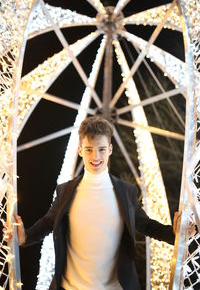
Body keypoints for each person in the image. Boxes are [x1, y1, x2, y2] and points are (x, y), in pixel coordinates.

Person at [3, 116, 189, 290]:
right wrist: (25, 237)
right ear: (80, 150)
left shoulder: (126, 192)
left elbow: (147, 225)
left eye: (101, 149)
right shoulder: (65, 191)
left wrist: (177, 235)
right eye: (89, 150)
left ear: (110, 149)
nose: (95, 157)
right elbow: (48, 222)